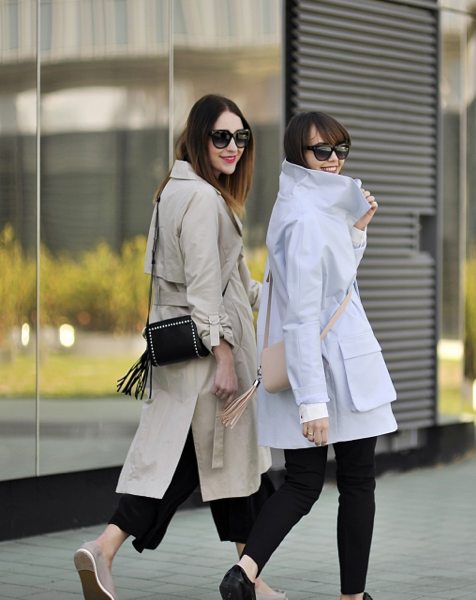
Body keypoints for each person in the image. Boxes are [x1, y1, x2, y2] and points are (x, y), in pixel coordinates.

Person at [73, 94, 284, 600]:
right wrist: (226, 356)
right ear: (198, 137)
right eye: (221, 136)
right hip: (208, 365)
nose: (232, 146)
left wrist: (287, 292)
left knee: (228, 471)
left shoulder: (176, 190)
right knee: (206, 467)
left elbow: (235, 284)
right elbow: (204, 287)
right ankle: (105, 546)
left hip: (183, 359)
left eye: (241, 137)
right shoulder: (203, 200)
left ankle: (248, 580)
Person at [218, 111, 398, 600]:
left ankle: (245, 575)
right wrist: (312, 403)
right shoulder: (303, 215)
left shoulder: (306, 204)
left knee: (303, 483)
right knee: (353, 483)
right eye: (323, 151)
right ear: (300, 153)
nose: (335, 160)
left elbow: (330, 286)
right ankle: (348, 597)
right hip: (331, 372)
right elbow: (300, 315)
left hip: (330, 368)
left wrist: (356, 232)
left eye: (341, 150)